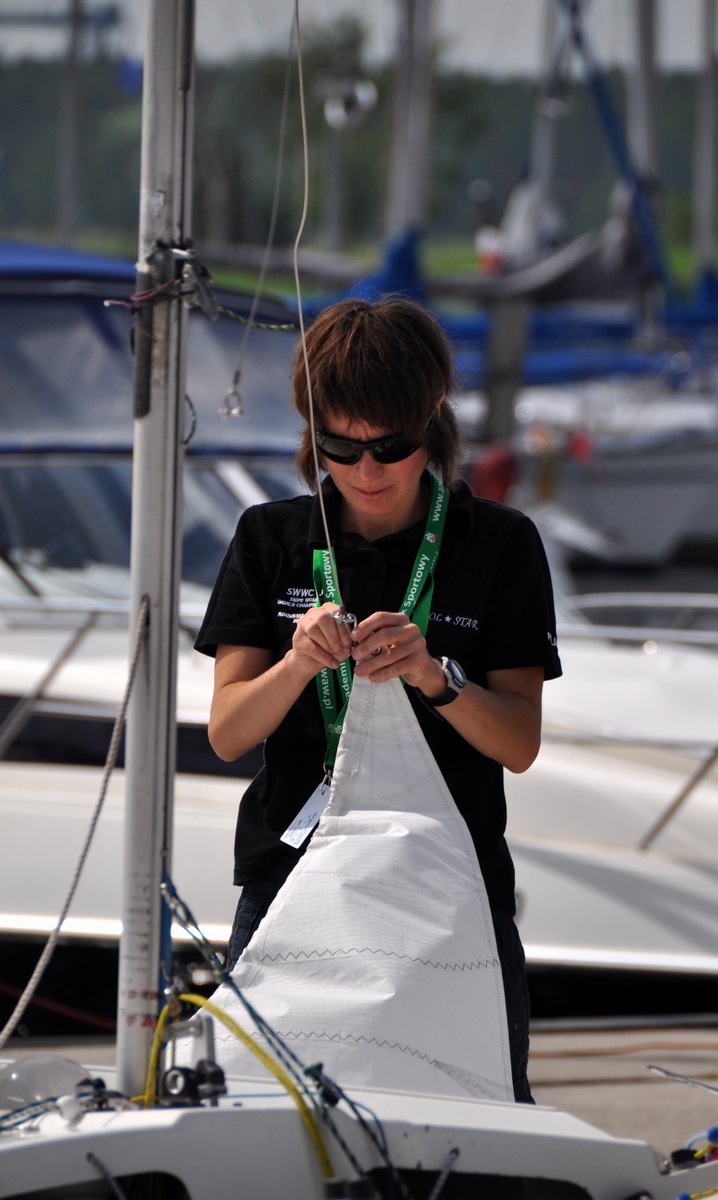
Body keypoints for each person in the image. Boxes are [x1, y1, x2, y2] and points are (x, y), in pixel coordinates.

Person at [194, 297, 562, 1102]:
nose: (366, 471)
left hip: (449, 882)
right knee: (263, 1111)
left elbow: (519, 744)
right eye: (341, 447)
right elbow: (227, 732)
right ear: (312, 432)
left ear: (432, 419)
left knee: (481, 1116)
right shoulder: (269, 537)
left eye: (390, 448)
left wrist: (435, 676)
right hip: (292, 876)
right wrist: (297, 663)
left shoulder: (500, 543)